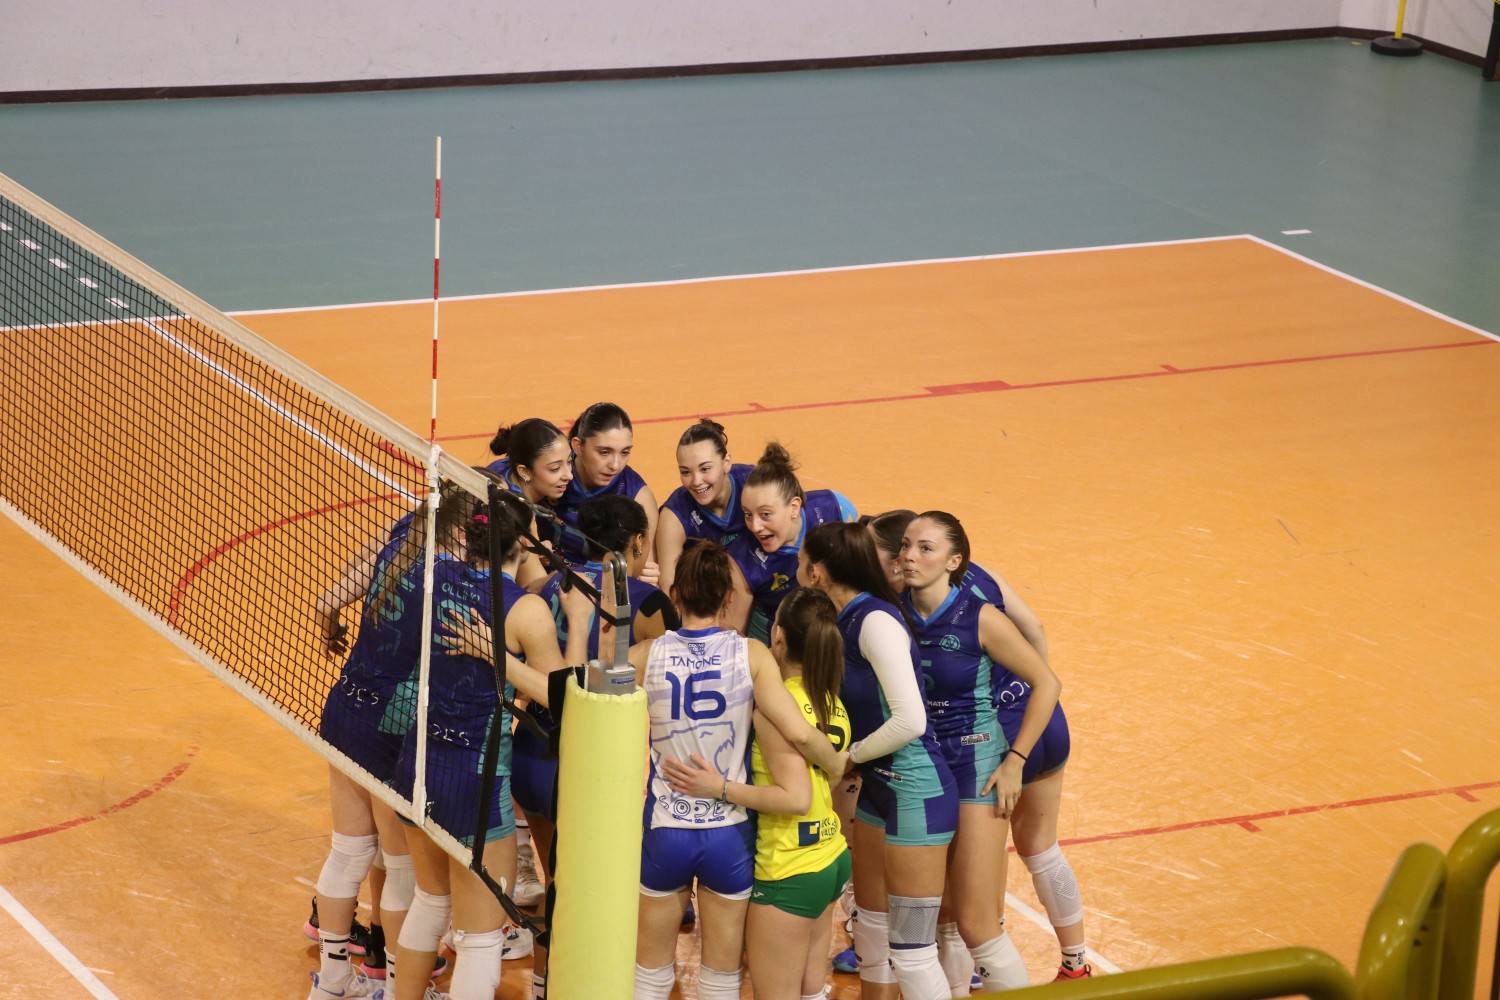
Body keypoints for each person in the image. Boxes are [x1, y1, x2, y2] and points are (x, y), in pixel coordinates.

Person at [626, 542, 849, 1000]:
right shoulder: (752, 654)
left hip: (665, 827)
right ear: (729, 598)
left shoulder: (645, 654)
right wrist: (835, 764)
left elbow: (580, 695)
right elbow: (800, 733)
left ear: (674, 593)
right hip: (728, 834)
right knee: (721, 976)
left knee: (648, 974)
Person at [389, 493, 566, 1000]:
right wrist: (497, 656)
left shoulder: (432, 576)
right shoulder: (525, 610)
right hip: (474, 780)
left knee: (430, 902)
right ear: (522, 544)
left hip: (417, 764)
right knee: (482, 938)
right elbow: (559, 695)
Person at [901, 511, 1063, 993]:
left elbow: (1047, 684)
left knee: (977, 923)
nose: (910, 556)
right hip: (920, 768)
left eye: (925, 548)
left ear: (954, 562)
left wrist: (1016, 760)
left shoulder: (981, 618)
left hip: (975, 768)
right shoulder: (890, 612)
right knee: (933, 918)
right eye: (906, 545)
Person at [799, 522, 956, 1000]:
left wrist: (847, 758)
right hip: (878, 791)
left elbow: (910, 720)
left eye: (802, 561)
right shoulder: (841, 619)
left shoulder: (874, 622)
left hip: (915, 790)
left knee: (912, 951)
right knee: (870, 930)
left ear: (816, 571)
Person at [305, 501, 435, 1000]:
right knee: (401, 868)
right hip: (392, 722)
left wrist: (330, 620)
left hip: (346, 705)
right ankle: (401, 990)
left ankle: (333, 982)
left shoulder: (400, 538)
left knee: (348, 852)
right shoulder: (449, 578)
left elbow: (330, 599)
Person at [723, 442, 857, 643]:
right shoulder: (741, 560)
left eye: (765, 514)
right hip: (776, 639)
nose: (755, 526)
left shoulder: (835, 509)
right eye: (748, 514)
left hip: (831, 627)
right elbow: (734, 637)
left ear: (794, 507)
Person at [552, 402, 659, 570]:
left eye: (624, 452)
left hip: (607, 584)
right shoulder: (550, 473)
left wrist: (646, 573)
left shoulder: (638, 496)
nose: (615, 465)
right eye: (604, 452)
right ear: (578, 446)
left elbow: (644, 564)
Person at [655, 418, 753, 595]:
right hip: (703, 598)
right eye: (686, 472)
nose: (696, 481)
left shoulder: (754, 485)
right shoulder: (674, 515)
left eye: (705, 469)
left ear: (726, 462)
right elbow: (669, 587)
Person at [486, 417, 574, 588]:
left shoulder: (501, 467)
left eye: (569, 462)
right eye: (555, 468)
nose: (569, 475)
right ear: (524, 471)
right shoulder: (518, 512)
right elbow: (534, 585)